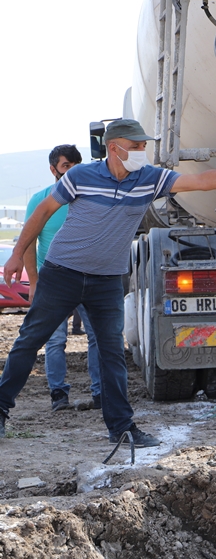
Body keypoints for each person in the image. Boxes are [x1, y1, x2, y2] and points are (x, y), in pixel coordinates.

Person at [0, 119, 216, 445]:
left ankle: (121, 428)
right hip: (62, 273)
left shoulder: (149, 179)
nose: (141, 152)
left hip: (106, 281)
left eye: (144, 146)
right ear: (114, 148)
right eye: (135, 147)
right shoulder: (80, 176)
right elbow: (43, 212)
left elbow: (201, 181)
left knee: (111, 353)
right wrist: (17, 254)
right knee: (28, 342)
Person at [23, 145, 102, 411]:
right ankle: (59, 395)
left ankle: (101, 393)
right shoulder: (40, 200)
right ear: (53, 169)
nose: (72, 170)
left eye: (76, 164)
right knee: (55, 340)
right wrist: (34, 282)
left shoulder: (91, 198)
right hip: (53, 281)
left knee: (98, 337)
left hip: (90, 278)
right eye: (66, 165)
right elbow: (29, 243)